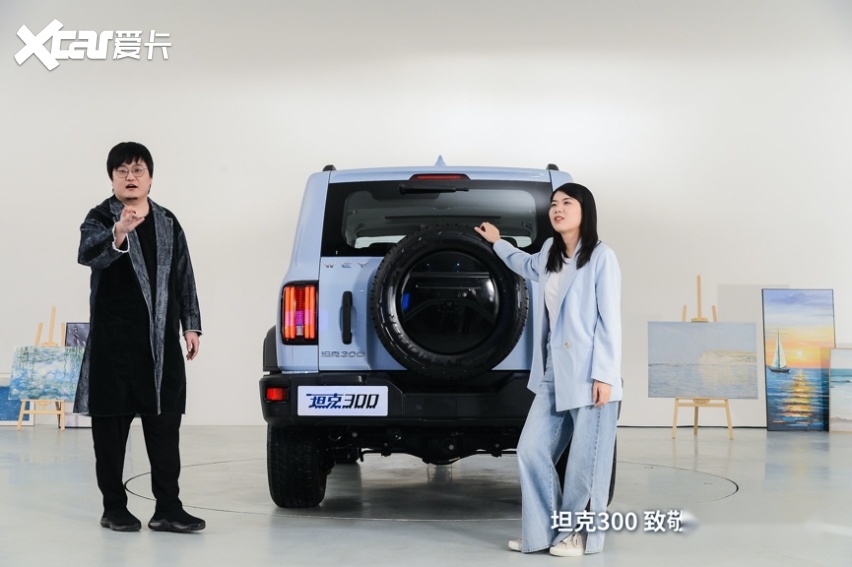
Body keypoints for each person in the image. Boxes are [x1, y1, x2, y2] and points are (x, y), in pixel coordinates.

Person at [474, 182, 621, 557]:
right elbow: (522, 264)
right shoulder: (548, 255)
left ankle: (578, 536)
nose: (558, 209)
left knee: (585, 464)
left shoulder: (601, 257)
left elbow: (610, 321)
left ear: (585, 211)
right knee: (531, 450)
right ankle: (541, 532)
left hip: (590, 371)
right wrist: (498, 242)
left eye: (567, 203)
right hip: (555, 370)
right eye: (554, 203)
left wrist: (605, 375)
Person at [75, 141, 205, 533]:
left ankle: (168, 508)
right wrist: (119, 231)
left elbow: (184, 275)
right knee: (111, 434)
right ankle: (114, 508)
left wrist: (191, 325)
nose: (130, 177)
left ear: (150, 177)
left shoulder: (167, 221)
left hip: (161, 346)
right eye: (122, 171)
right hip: (114, 346)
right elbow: (87, 253)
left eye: (138, 170)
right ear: (112, 178)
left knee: (165, 428)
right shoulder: (100, 217)